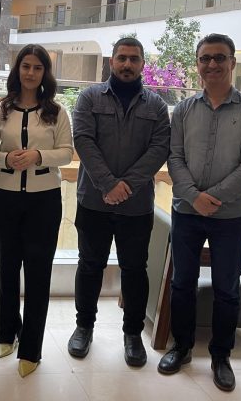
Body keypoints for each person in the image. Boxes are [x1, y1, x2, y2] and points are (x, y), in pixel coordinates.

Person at [159, 33, 241, 391]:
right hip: (186, 212)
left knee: (227, 288)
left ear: (232, 63)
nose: (212, 64)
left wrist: (213, 198)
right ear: (198, 64)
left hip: (230, 217)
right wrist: (194, 197)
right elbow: (174, 157)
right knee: (182, 283)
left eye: (220, 57)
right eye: (205, 58)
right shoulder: (183, 110)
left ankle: (221, 355)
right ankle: (182, 347)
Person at [68, 37, 170, 367]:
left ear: (142, 64)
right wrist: (108, 184)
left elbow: (159, 148)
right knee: (89, 266)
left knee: (135, 270)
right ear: (111, 62)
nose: (127, 64)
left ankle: (132, 335)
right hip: (94, 201)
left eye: (134, 59)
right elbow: (83, 140)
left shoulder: (156, 106)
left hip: (136, 205)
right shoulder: (89, 97)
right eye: (122, 58)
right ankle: (84, 327)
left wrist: (126, 185)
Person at [0, 44, 74, 377]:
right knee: (7, 268)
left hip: (44, 201)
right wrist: (5, 158)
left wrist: (38, 156)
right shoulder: (1, 110)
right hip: (5, 198)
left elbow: (67, 152)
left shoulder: (57, 112)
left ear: (45, 73)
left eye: (38, 67)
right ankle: (6, 333)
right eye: (26, 66)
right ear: (17, 70)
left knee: (38, 274)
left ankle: (32, 349)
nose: (31, 73)